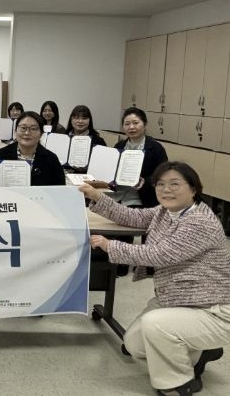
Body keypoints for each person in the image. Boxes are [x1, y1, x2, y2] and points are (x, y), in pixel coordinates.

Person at [79, 162, 229, 396]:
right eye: (161, 184)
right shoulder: (165, 212)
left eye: (175, 184)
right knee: (134, 345)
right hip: (178, 301)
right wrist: (97, 196)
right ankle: (200, 350)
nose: (166, 189)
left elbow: (159, 255)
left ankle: (179, 382)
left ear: (193, 189)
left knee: (155, 325)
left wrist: (110, 246)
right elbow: (133, 216)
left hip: (212, 309)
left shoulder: (199, 221)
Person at [112, 107, 168, 208]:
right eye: (127, 124)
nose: (131, 127)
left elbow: (163, 176)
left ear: (145, 124)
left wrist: (145, 181)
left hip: (141, 198)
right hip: (117, 195)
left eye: (135, 123)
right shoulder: (119, 146)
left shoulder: (156, 148)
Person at [0, 111, 65, 186]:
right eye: (23, 128)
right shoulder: (1, 155)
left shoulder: (51, 159)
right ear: (15, 131)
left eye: (33, 129)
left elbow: (60, 188)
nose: (27, 133)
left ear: (41, 134)